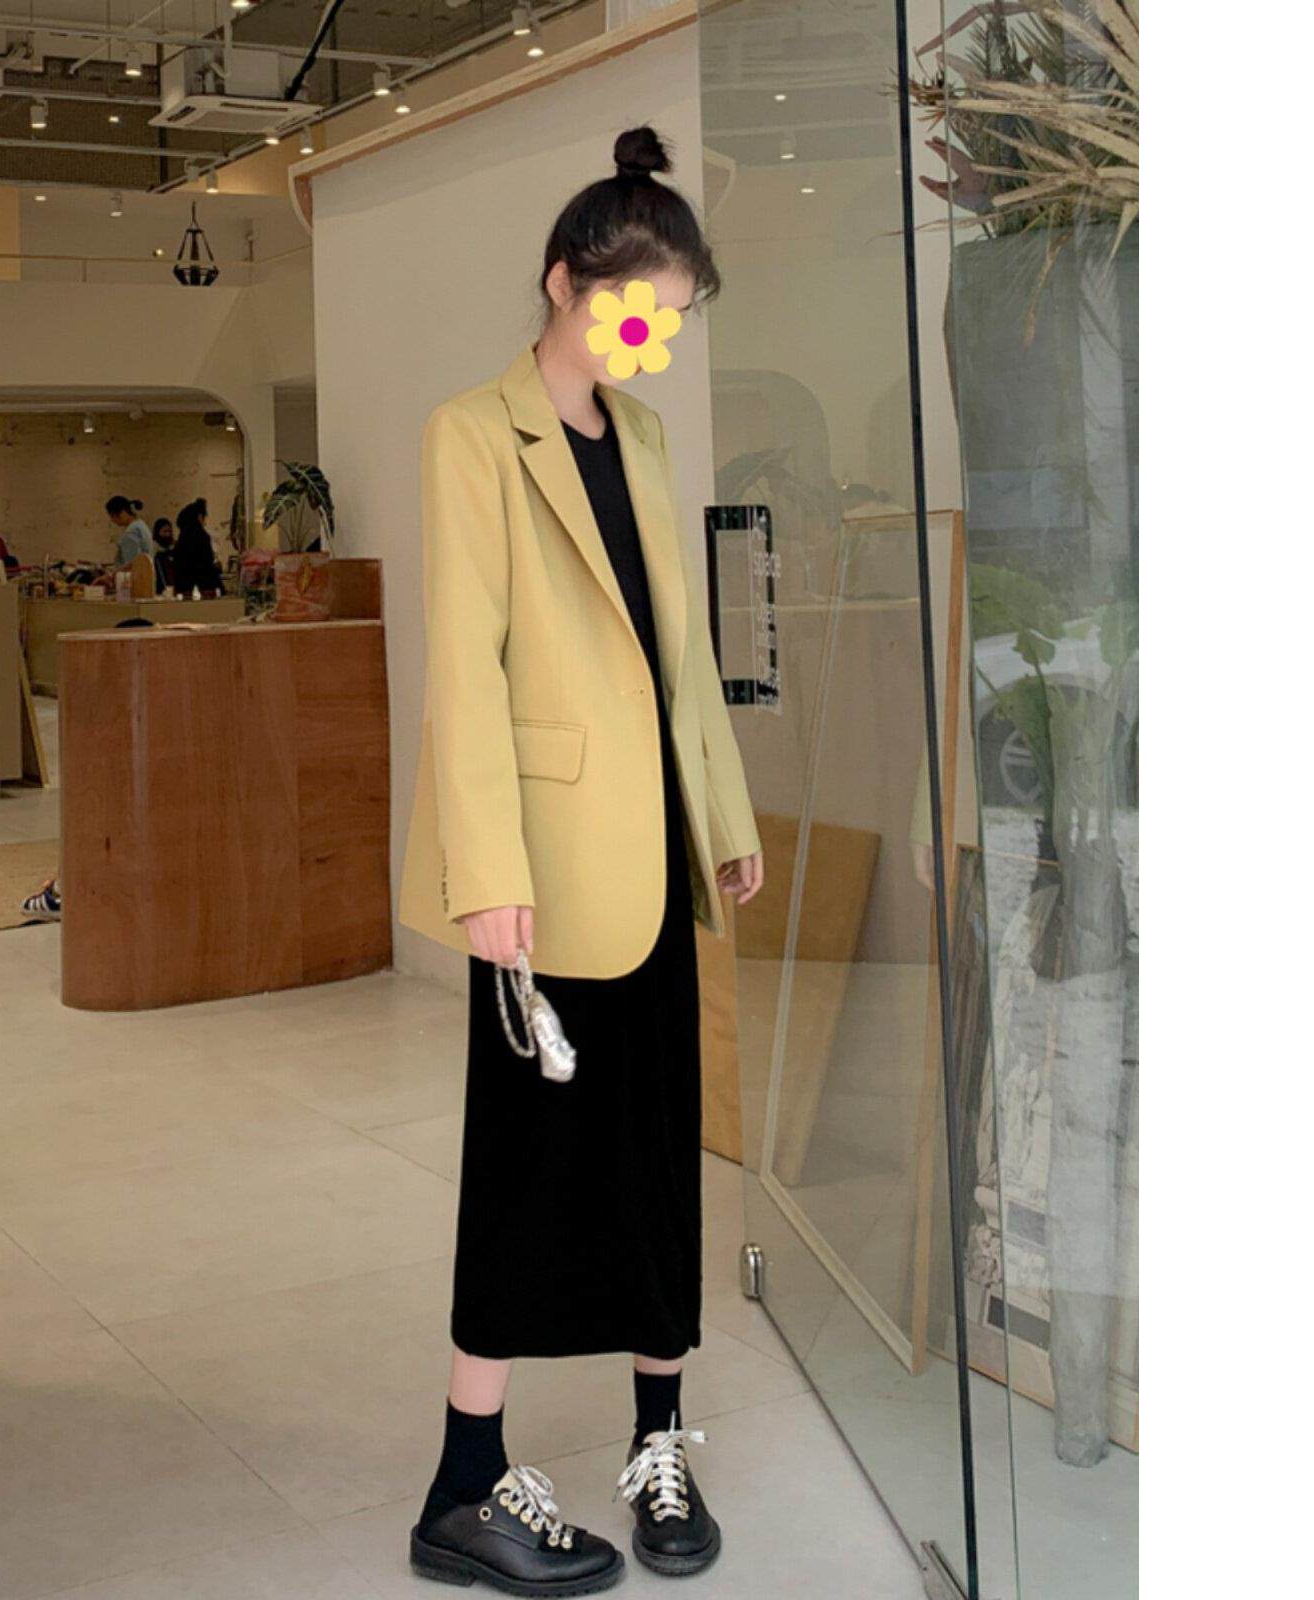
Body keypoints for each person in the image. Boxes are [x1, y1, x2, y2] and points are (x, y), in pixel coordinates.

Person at [397, 127, 765, 1594]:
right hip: (541, 871)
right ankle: (463, 1483)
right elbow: (467, 667)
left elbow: (681, 658)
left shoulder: (648, 437)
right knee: (527, 1167)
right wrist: (486, 867)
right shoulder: (470, 434)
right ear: (564, 282)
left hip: (655, 856)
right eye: (632, 307)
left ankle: (657, 1443)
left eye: (669, 316)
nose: (648, 336)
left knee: (657, 1158)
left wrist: (723, 819)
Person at [170, 500, 222, 598]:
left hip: (183, 585)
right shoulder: (202, 536)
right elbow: (207, 563)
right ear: (199, 517)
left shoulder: (182, 537)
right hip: (204, 584)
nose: (205, 522)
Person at [105, 495, 154, 567]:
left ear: (122, 513)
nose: (112, 520)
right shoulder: (141, 525)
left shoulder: (131, 532)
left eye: (112, 516)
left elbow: (133, 563)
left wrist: (113, 572)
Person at [150, 515, 176, 592]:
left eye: (169, 531)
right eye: (164, 531)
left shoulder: (174, 549)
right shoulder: (153, 549)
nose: (167, 534)